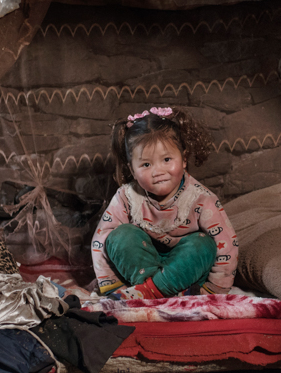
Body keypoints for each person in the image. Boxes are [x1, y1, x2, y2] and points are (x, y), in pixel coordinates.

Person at [91, 106, 238, 299]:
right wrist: (111, 286)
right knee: (120, 235)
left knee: (203, 245)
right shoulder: (126, 196)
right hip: (138, 268)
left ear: (184, 159)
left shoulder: (200, 199)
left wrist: (214, 290)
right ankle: (155, 290)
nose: (158, 171)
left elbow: (227, 245)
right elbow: (100, 242)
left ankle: (149, 292)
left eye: (167, 159)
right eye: (146, 164)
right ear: (132, 170)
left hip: (185, 271)